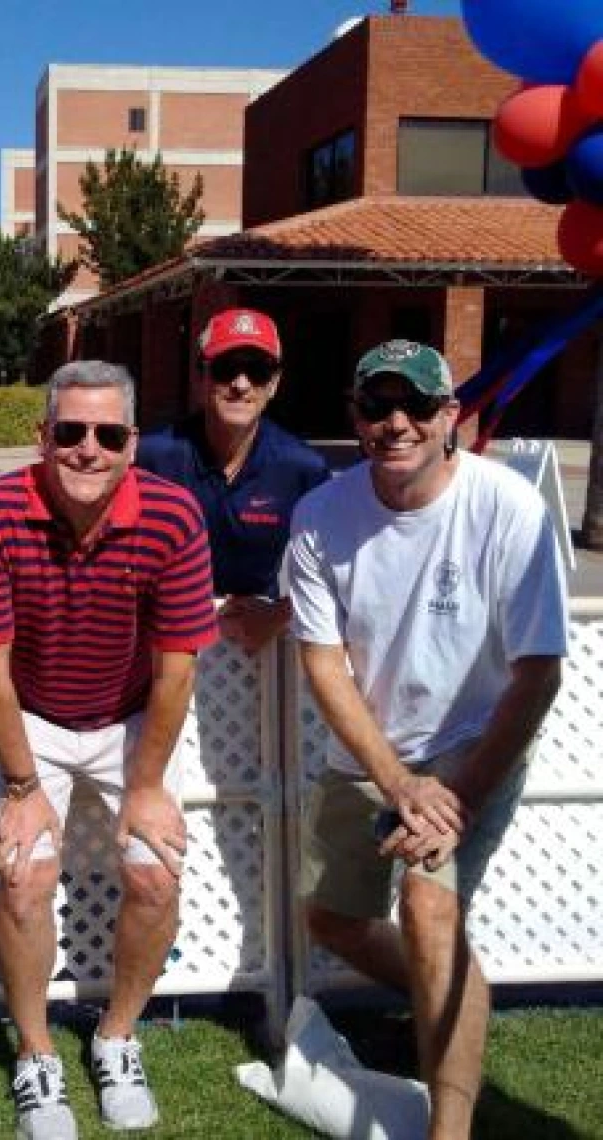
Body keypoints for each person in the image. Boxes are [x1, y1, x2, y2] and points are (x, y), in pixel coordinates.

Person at [286, 339, 567, 1140]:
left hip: (473, 744)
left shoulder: (507, 507)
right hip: (372, 751)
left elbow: (538, 673)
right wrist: (398, 783)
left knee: (430, 914)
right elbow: (325, 666)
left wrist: (457, 795)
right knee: (332, 920)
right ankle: (454, 996)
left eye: (416, 405)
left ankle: (450, 1127)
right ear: (355, 416)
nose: (396, 422)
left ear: (451, 415)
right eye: (377, 405)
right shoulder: (320, 515)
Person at [0, 361, 218, 1140]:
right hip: (31, 715)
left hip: (132, 717)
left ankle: (117, 1038)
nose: (87, 450)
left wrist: (147, 785)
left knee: (155, 874)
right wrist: (22, 784)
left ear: (132, 442)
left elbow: (177, 666)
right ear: (42, 437)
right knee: (25, 879)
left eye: (107, 434)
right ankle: (37, 1057)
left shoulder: (173, 515)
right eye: (70, 433)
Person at [136, 307, 328, 652]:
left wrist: (280, 614)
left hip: (256, 640)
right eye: (226, 370)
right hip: (162, 633)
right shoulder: (151, 457)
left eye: (257, 371)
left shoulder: (302, 468)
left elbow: (340, 568)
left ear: (274, 384)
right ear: (201, 378)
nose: (241, 385)